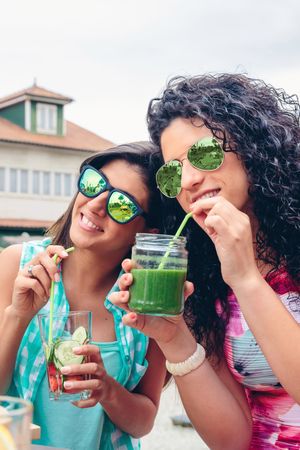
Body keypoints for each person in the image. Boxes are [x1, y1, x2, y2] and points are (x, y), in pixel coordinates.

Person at [109, 74, 300, 449]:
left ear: (252, 147)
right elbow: (231, 439)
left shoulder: (241, 270)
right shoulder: (206, 276)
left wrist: (246, 279)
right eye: (173, 172)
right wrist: (173, 336)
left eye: (205, 154)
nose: (191, 180)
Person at [0, 142, 166, 450]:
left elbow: (144, 422)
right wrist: (18, 314)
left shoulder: (148, 300)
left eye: (122, 204)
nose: (95, 204)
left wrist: (108, 389)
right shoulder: (17, 265)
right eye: (94, 184)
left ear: (147, 233)